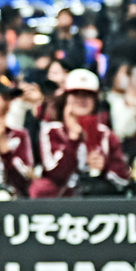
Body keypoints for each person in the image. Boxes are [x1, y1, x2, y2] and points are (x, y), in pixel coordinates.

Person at [31, 69, 130, 197]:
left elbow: (123, 180)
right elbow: (54, 175)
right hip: (60, 201)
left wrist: (104, 167)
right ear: (66, 97)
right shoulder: (52, 131)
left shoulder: (106, 134)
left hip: (96, 200)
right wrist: (73, 138)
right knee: (41, 187)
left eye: (88, 95)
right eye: (76, 94)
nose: (82, 99)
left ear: (95, 100)